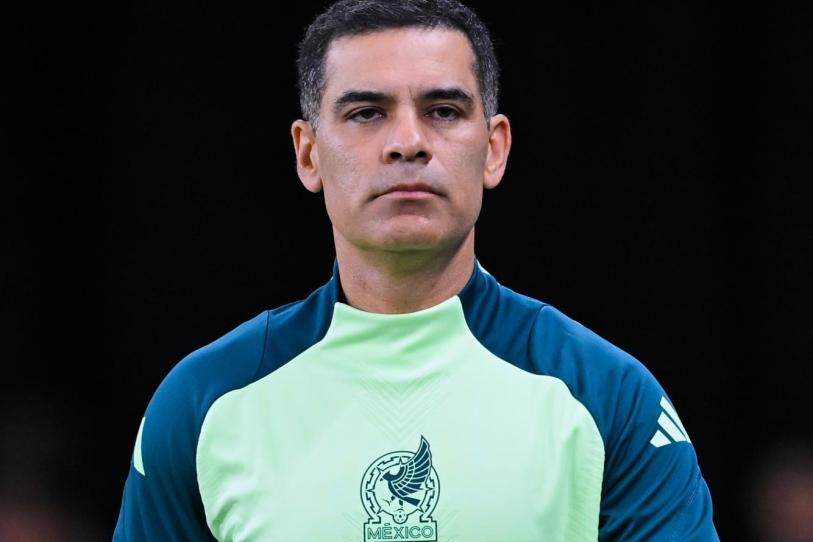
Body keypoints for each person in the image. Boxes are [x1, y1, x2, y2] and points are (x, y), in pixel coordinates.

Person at [113, 0, 719, 540]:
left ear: (495, 148)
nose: (408, 141)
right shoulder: (204, 403)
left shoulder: (608, 397)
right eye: (366, 113)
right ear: (308, 153)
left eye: (444, 110)